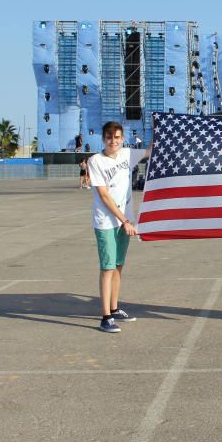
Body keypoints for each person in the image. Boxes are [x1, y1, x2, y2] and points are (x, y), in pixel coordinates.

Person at [87, 121, 152, 333]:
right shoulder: (96, 161)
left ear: (122, 138)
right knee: (107, 268)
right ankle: (105, 317)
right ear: (103, 138)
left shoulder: (127, 154)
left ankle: (114, 308)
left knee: (118, 266)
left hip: (125, 221)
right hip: (107, 222)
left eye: (116, 137)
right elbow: (104, 195)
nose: (112, 141)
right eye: (108, 137)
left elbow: (150, 151)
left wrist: (159, 128)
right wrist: (124, 220)